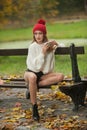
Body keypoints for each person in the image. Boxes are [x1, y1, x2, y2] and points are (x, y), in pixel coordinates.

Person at [24, 19, 64, 121]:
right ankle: (34, 107)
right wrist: (43, 53)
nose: (38, 36)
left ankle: (32, 87)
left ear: (44, 34)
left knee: (60, 76)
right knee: (33, 77)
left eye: (40, 33)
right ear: (33, 35)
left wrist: (56, 43)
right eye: (35, 33)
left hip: (42, 75)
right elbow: (35, 67)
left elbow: (62, 46)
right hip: (30, 72)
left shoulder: (48, 45)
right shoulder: (32, 47)